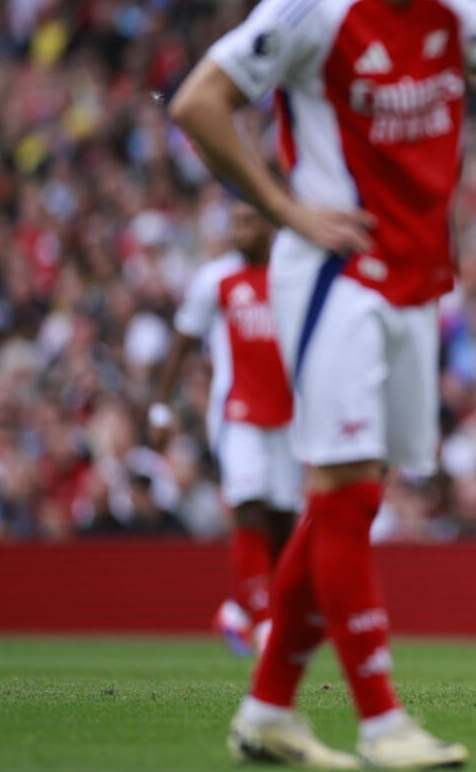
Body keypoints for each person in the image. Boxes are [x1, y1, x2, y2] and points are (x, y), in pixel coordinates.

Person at [169, 0, 476, 769]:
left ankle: (269, 709)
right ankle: (384, 720)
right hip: (335, 278)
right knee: (344, 492)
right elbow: (198, 100)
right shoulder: (316, 3)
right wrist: (284, 209)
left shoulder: (451, 7)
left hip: (417, 281)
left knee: (347, 501)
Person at [150, 201, 300, 657]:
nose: (241, 230)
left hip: (289, 415)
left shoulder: (292, 277)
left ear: (271, 227)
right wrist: (161, 405)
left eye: (250, 221)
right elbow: (182, 338)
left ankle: (239, 609)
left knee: (282, 523)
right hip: (235, 413)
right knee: (248, 507)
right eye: (236, 222)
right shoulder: (215, 280)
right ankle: (267, 621)